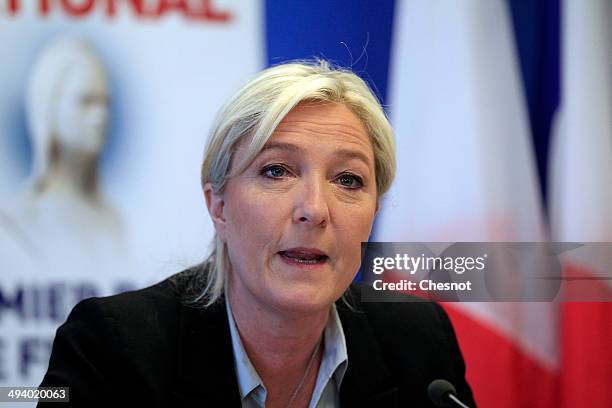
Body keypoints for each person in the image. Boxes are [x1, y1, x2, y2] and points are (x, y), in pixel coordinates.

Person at [39, 61, 475, 407]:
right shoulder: (113, 347)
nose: (314, 210)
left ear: (374, 209)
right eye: (276, 170)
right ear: (219, 204)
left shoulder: (418, 341)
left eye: (348, 180)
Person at [0, 36, 124, 278]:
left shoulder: (113, 221)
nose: (101, 116)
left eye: (104, 103)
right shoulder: (15, 221)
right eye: (86, 101)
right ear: (49, 106)